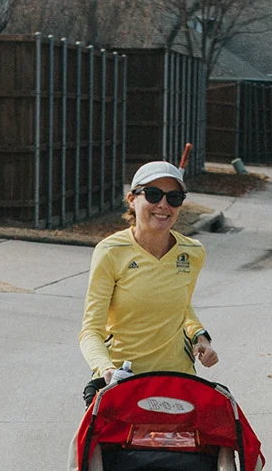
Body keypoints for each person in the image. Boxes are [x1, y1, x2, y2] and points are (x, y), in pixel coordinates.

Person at [79, 161, 219, 404]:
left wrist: (200, 337)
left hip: (176, 381)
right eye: (153, 194)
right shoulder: (111, 251)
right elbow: (91, 330)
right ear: (132, 199)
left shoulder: (192, 252)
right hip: (122, 381)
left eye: (174, 198)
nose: (163, 205)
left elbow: (182, 307)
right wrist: (105, 369)